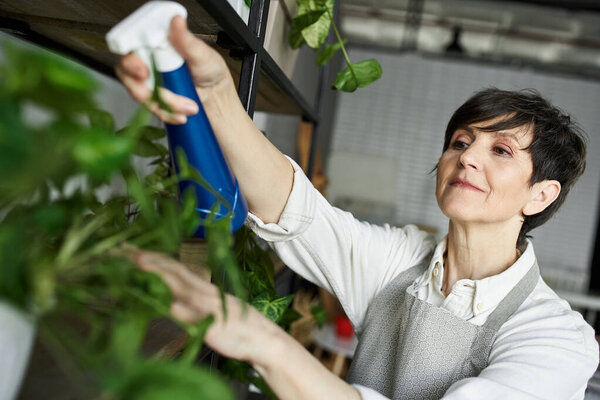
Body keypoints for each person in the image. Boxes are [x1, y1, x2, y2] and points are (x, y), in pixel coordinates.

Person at [117, 15, 599, 400]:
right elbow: (296, 211)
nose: (467, 156)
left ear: (541, 194)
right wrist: (217, 94)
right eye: (460, 141)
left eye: (501, 150)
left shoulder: (557, 339)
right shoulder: (402, 261)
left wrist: (260, 340)